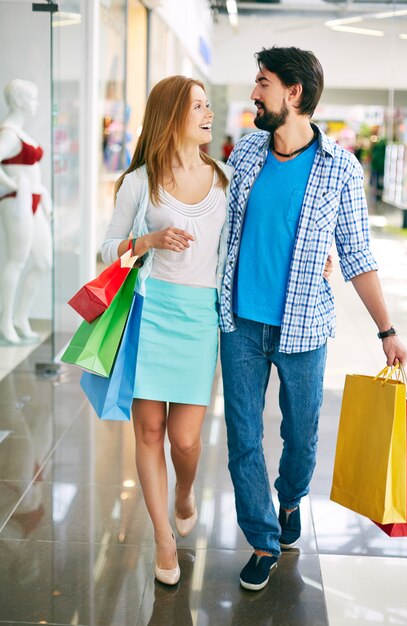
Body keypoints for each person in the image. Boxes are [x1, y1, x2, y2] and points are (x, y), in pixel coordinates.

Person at [219, 46, 407, 592]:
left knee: (301, 436)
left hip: (303, 326)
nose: (255, 93)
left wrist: (387, 330)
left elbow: (357, 254)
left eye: (262, 82)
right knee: (243, 436)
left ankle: (291, 497)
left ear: (293, 93)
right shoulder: (249, 152)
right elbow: (220, 222)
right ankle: (262, 540)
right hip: (240, 323)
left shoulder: (340, 167)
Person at [101, 75, 232, 587]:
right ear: (173, 114)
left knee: (186, 439)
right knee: (150, 430)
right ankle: (162, 538)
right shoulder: (141, 181)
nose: (208, 113)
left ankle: (184, 492)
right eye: (198, 105)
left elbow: (236, 252)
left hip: (200, 317)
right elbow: (105, 250)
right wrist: (148, 239)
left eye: (208, 104)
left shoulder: (223, 179)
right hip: (151, 313)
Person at [0, 79, 52, 344]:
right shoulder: (9, 133)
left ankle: (21, 317)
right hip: (16, 202)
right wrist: (14, 185)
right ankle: (5, 323)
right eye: (33, 99)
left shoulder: (20, 132)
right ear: (20, 101)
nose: (37, 104)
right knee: (16, 261)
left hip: (33, 200)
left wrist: (43, 196)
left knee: (43, 263)